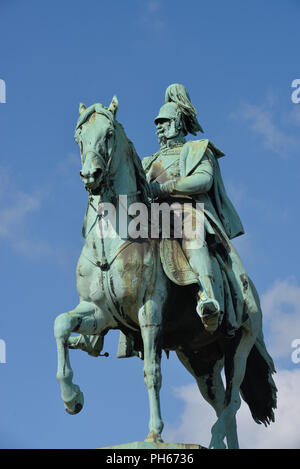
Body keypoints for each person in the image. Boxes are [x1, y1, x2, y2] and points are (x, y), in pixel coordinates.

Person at [142, 83, 250, 334]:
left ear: (178, 123)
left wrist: (166, 188)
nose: (159, 126)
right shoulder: (149, 161)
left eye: (165, 121)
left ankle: (208, 299)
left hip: (186, 211)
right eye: (157, 123)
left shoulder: (197, 150)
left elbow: (204, 180)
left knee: (192, 235)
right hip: (152, 218)